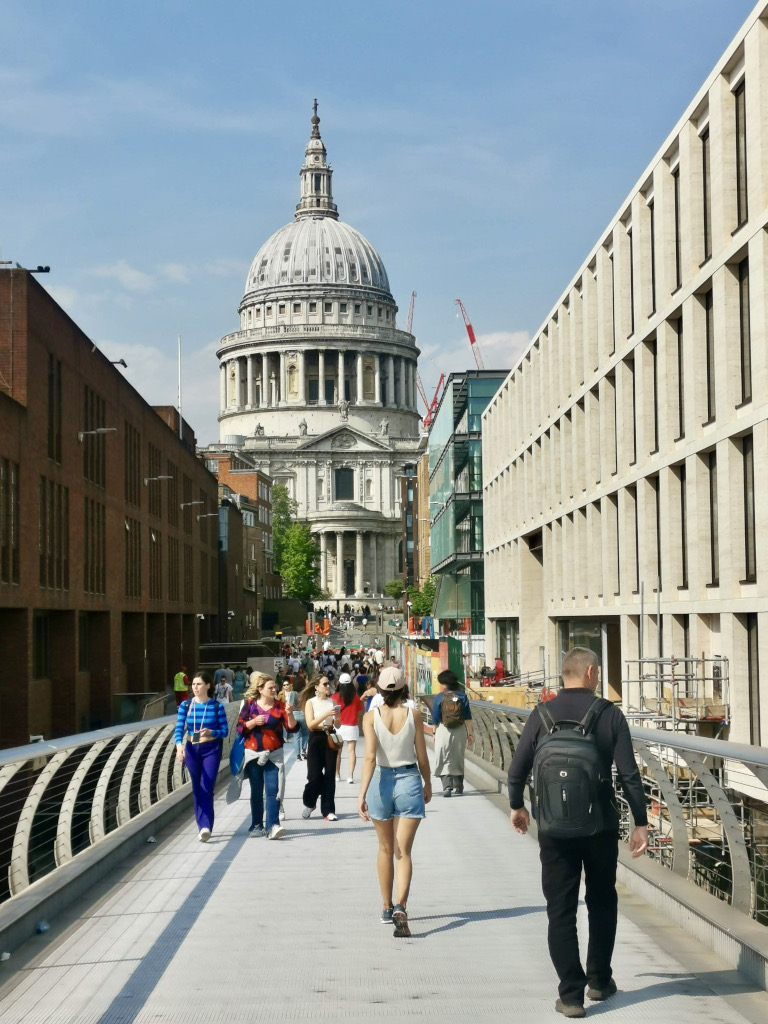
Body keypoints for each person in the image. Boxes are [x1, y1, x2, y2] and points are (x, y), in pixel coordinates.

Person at [507, 646, 649, 1018]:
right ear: (589, 672)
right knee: (602, 901)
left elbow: (517, 769)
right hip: (600, 826)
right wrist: (640, 823)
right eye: (597, 671)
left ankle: (571, 995)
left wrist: (518, 807)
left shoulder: (540, 714)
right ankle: (600, 980)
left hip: (554, 829)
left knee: (561, 909)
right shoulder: (610, 714)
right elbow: (629, 775)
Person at [358, 665, 431, 937]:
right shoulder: (414, 715)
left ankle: (386, 907)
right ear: (403, 689)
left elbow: (368, 758)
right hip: (409, 780)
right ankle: (402, 905)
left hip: (380, 780)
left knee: (385, 849)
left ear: (378, 689)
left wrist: (362, 794)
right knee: (404, 852)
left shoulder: (370, 716)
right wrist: (428, 783)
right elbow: (422, 757)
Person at [238, 672, 297, 840]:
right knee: (256, 791)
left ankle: (273, 825)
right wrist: (253, 722)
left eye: (274, 687)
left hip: (274, 755)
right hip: (254, 755)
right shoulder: (250, 705)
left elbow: (292, 729)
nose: (274, 689)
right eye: (270, 687)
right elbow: (240, 727)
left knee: (273, 790)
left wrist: (291, 714)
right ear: (260, 689)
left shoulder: (280, 706)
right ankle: (256, 824)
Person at [174, 670, 229, 841]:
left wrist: (211, 731)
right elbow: (179, 728)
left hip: (211, 749)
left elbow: (225, 731)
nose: (195, 687)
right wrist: (179, 747)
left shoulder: (216, 706)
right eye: (193, 684)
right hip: (192, 749)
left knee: (207, 786)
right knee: (196, 788)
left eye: (198, 684)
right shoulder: (186, 705)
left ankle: (206, 826)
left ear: (207, 685)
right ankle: (201, 825)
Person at [300, 676, 340, 821]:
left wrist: (337, 717)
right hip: (315, 738)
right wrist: (326, 715)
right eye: (324, 684)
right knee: (314, 776)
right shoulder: (310, 703)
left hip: (330, 737)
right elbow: (310, 724)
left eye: (328, 684)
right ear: (316, 687)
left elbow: (338, 725)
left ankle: (328, 809)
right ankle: (310, 803)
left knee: (330, 775)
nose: (327, 686)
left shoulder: (332, 702)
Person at [432, 670, 474, 797]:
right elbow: (468, 717)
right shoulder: (462, 696)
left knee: (444, 756)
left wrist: (434, 732)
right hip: (460, 729)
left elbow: (435, 717)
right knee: (457, 756)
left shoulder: (440, 697)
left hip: (443, 729)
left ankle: (447, 787)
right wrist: (470, 734)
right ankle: (459, 786)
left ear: (444, 684)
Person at [332, 673, 364, 784]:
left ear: (339, 683)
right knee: (351, 752)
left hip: (338, 727)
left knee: (337, 752)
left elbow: (331, 712)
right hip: (352, 726)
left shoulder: (334, 697)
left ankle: (337, 774)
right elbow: (360, 712)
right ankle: (350, 776)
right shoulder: (356, 697)